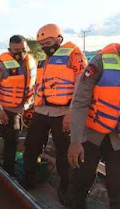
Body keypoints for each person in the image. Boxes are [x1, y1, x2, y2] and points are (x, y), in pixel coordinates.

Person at [67, 21, 120, 209]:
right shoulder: (101, 61)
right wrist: (75, 141)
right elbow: (80, 101)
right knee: (81, 179)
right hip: (92, 132)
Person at [23, 24, 87, 203]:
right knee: (31, 145)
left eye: (48, 42)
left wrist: (72, 112)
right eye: (41, 43)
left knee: (63, 152)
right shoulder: (44, 58)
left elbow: (81, 86)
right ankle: (29, 180)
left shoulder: (74, 54)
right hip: (42, 110)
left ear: (59, 39)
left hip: (63, 112)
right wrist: (32, 106)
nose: (45, 46)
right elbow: (40, 86)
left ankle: (65, 188)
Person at [0, 35, 36, 176]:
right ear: (9, 50)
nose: (20, 54)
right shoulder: (2, 66)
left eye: (23, 49)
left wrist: (31, 105)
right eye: (16, 50)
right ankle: (9, 171)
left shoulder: (30, 63)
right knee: (11, 140)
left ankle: (25, 167)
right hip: (7, 110)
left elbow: (34, 86)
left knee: (30, 138)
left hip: (26, 107)